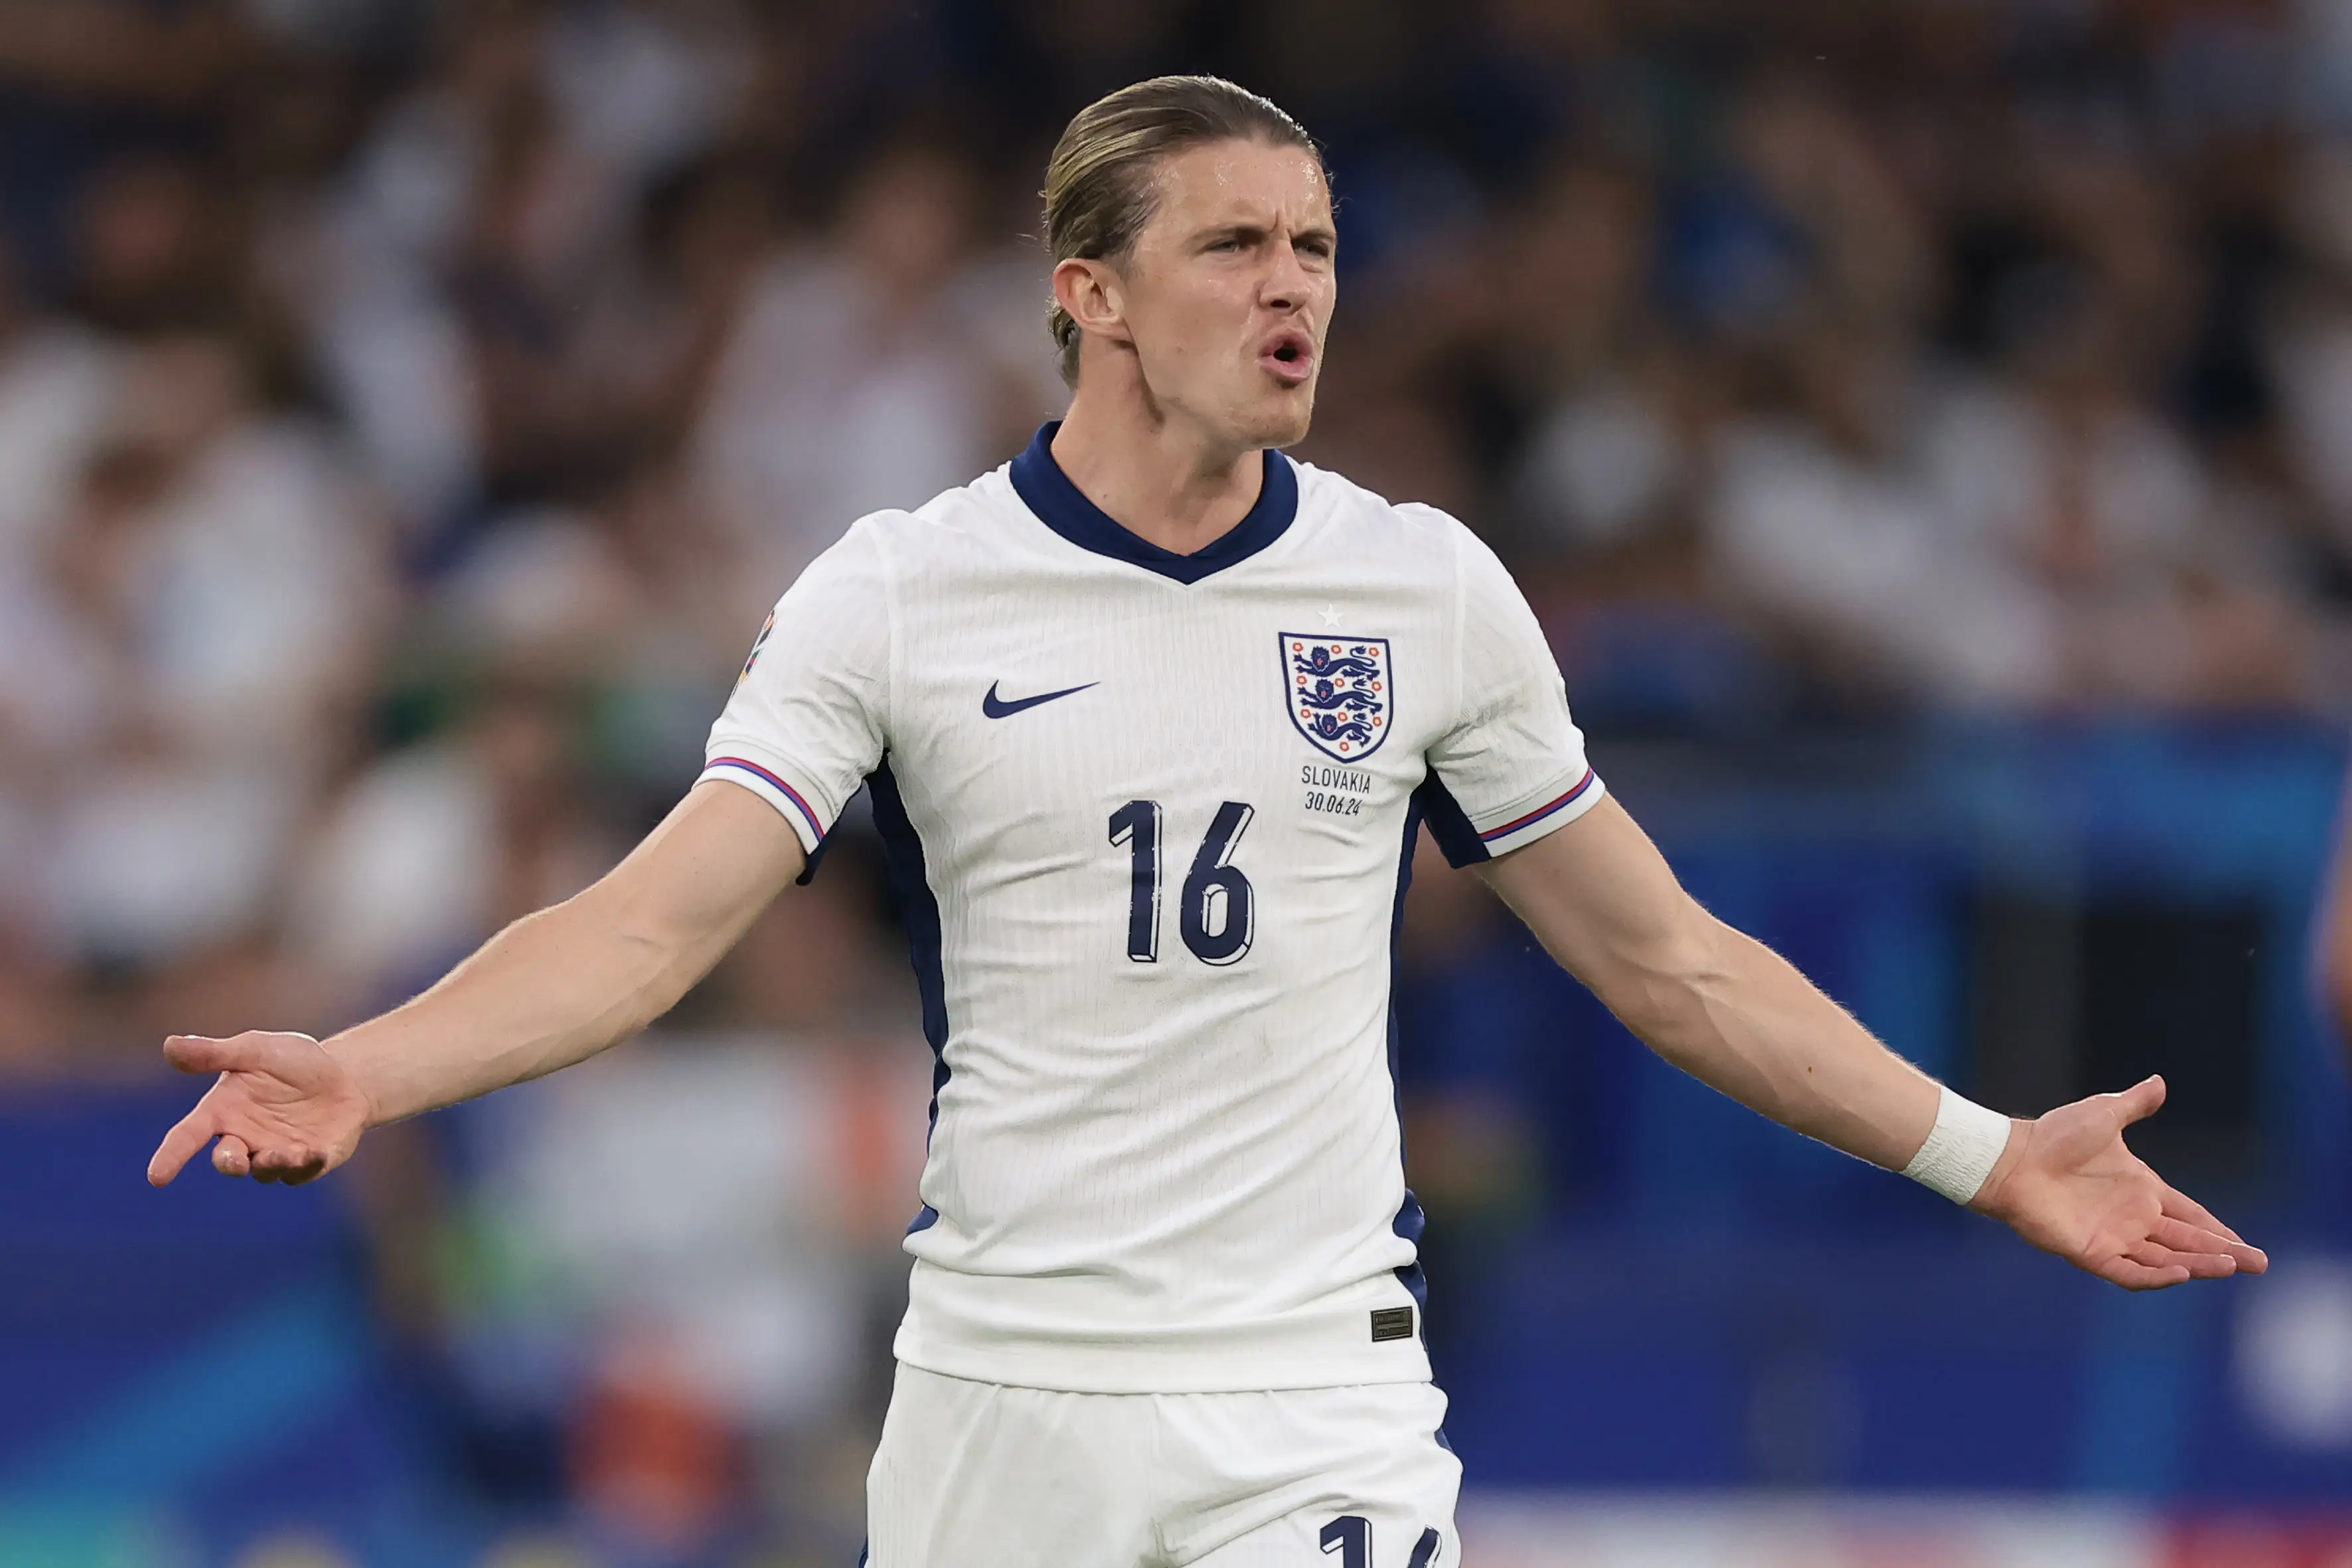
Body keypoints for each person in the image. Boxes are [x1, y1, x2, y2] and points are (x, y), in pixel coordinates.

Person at [148, 77, 2266, 1567]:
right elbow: (646, 925)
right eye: (1234, 244)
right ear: (1085, 290)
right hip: (1002, 1394)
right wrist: (372, 1067)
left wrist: (1983, 1151)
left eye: (1317, 246)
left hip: (1310, 1390)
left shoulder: (1420, 589)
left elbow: (1666, 959)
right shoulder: (901, 591)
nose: (1294, 290)